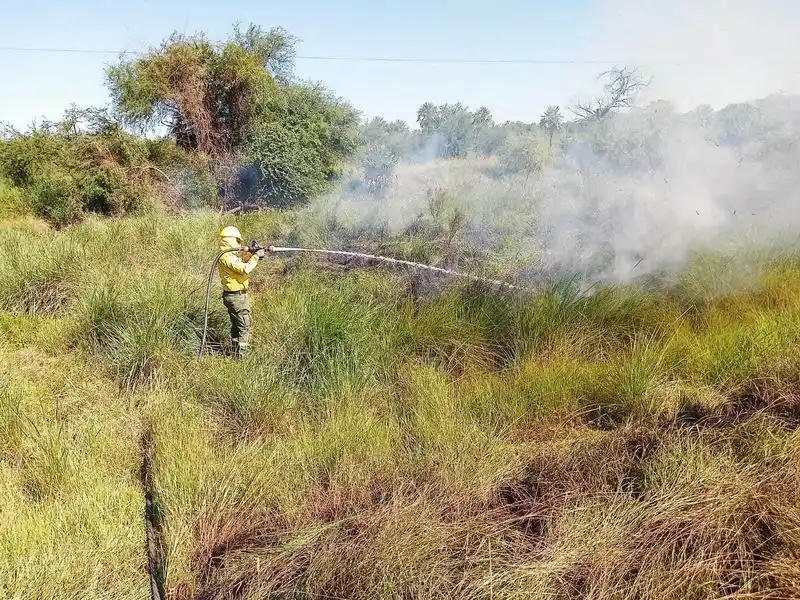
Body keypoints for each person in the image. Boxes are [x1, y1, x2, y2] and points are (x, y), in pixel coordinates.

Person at [217, 226, 266, 359]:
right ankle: (242, 358)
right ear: (231, 240)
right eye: (238, 241)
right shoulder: (226, 257)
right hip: (236, 297)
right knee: (244, 325)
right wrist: (256, 256)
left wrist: (251, 253)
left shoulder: (229, 255)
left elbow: (242, 262)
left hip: (236, 296)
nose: (240, 244)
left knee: (237, 325)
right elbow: (244, 269)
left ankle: (235, 351)